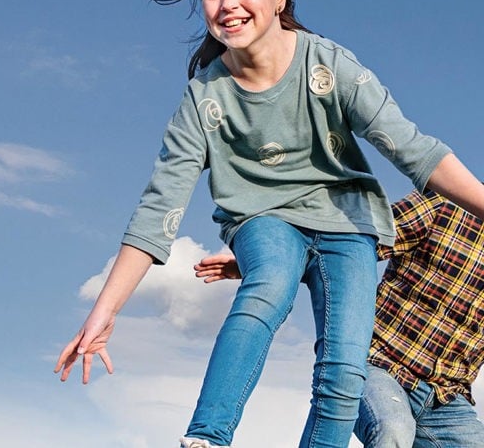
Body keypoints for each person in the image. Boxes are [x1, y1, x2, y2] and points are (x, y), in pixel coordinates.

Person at [55, 0, 484, 448]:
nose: (226, 2)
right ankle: (207, 437)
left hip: (346, 223)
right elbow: (158, 211)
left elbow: (414, 150)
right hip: (264, 218)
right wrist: (104, 310)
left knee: (345, 369)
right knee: (272, 281)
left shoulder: (330, 66)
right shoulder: (204, 101)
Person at [196, 188, 484, 447]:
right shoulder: (446, 207)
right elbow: (349, 249)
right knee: (393, 429)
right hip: (378, 366)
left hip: (447, 397)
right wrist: (263, 263)